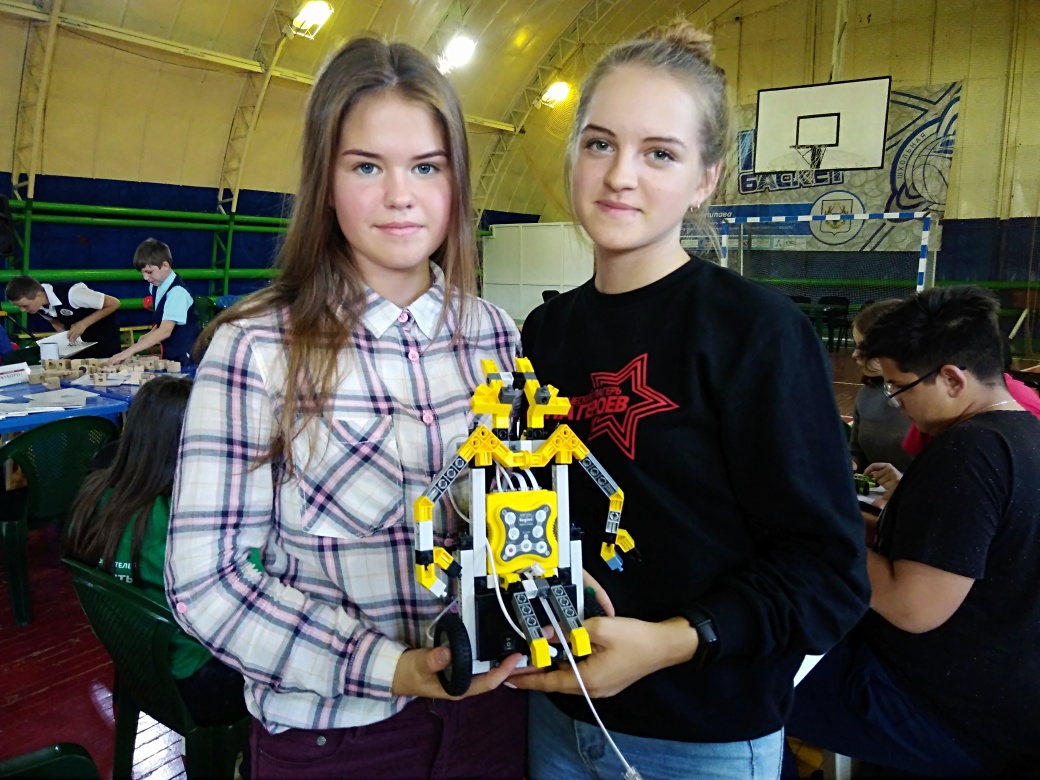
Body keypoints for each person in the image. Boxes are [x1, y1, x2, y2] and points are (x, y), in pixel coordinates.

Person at [510, 21, 870, 780]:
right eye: (600, 143)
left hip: (700, 739)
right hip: (556, 715)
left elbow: (828, 575)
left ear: (706, 179)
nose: (620, 175)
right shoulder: (547, 331)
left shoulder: (756, 332)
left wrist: (673, 640)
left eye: (660, 153)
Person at [165, 36, 526, 780]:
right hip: (341, 741)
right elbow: (206, 582)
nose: (400, 195)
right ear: (324, 183)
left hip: (494, 718)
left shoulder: (496, 335)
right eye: (366, 166)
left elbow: (521, 508)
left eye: (426, 166)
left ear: (457, 182)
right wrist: (387, 667)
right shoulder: (257, 347)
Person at [787, 286, 1040, 777]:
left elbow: (912, 608)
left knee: (744, 678)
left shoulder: (969, 453)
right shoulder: (1022, 435)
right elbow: (930, 548)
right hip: (997, 691)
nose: (896, 402)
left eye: (899, 386)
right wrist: (842, 520)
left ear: (951, 378)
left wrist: (819, 536)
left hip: (943, 710)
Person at [63, 376, 251, 733]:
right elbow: (245, 592)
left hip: (136, 662)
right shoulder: (180, 521)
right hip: (194, 679)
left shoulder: (95, 492)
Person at [108, 238, 200, 366]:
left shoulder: (177, 293)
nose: (145, 277)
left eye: (149, 272)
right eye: (143, 273)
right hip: (171, 351)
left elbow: (165, 330)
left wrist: (127, 352)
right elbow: (164, 318)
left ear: (165, 266)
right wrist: (149, 335)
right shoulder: (156, 286)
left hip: (187, 354)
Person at [848, 300, 913, 479]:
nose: (855, 354)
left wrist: (904, 483)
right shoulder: (867, 393)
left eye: (865, 347)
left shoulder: (930, 402)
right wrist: (849, 464)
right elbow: (857, 453)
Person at [5, 274, 122, 358]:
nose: (22, 310)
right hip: (81, 345)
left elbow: (114, 303)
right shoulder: (38, 306)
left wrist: (83, 324)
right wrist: (65, 339)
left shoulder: (73, 293)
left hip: (104, 339)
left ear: (38, 295)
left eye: (25, 305)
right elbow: (54, 321)